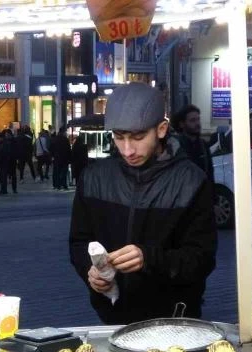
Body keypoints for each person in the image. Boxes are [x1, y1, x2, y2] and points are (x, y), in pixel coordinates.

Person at [69, 83, 217, 323]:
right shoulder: (93, 177)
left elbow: (202, 259)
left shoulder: (191, 180)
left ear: (161, 129)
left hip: (174, 317)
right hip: (111, 316)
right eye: (119, 137)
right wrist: (90, 269)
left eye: (138, 137)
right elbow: (79, 241)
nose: (128, 150)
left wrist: (149, 259)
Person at [170, 105, 214, 183]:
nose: (197, 123)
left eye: (198, 119)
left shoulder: (203, 145)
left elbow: (210, 174)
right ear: (182, 124)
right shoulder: (176, 146)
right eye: (192, 120)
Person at [0, 129, 17, 195]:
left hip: (11, 161)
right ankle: (4, 189)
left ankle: (13, 189)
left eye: (8, 134)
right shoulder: (4, 142)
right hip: (5, 161)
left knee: (11, 175)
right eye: (6, 135)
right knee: (3, 176)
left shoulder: (13, 141)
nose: (7, 136)